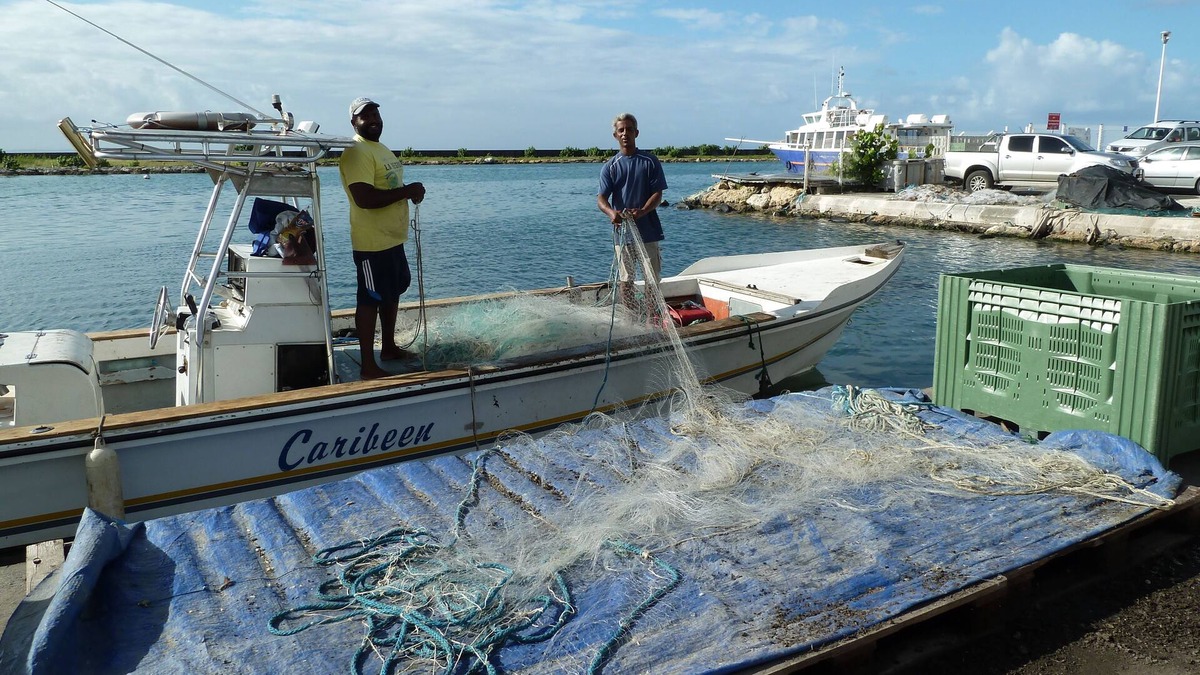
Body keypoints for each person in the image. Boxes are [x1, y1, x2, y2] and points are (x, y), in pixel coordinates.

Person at [338, 97, 426, 380]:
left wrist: (409, 191)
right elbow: (363, 198)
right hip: (371, 243)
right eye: (366, 116)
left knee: (394, 290)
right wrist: (405, 191)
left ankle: (388, 347)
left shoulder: (380, 148)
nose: (373, 119)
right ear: (354, 122)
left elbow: (388, 185)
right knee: (370, 298)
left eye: (376, 113)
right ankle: (368, 365)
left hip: (392, 239)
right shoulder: (356, 152)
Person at [597, 113, 668, 306]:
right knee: (625, 280)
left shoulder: (650, 161)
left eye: (629, 129)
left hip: (649, 232)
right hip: (624, 234)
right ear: (615, 135)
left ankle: (651, 320)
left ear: (636, 133)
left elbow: (657, 194)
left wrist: (643, 211)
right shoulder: (610, 167)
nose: (625, 133)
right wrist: (612, 213)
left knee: (651, 280)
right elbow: (601, 198)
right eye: (621, 130)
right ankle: (630, 319)